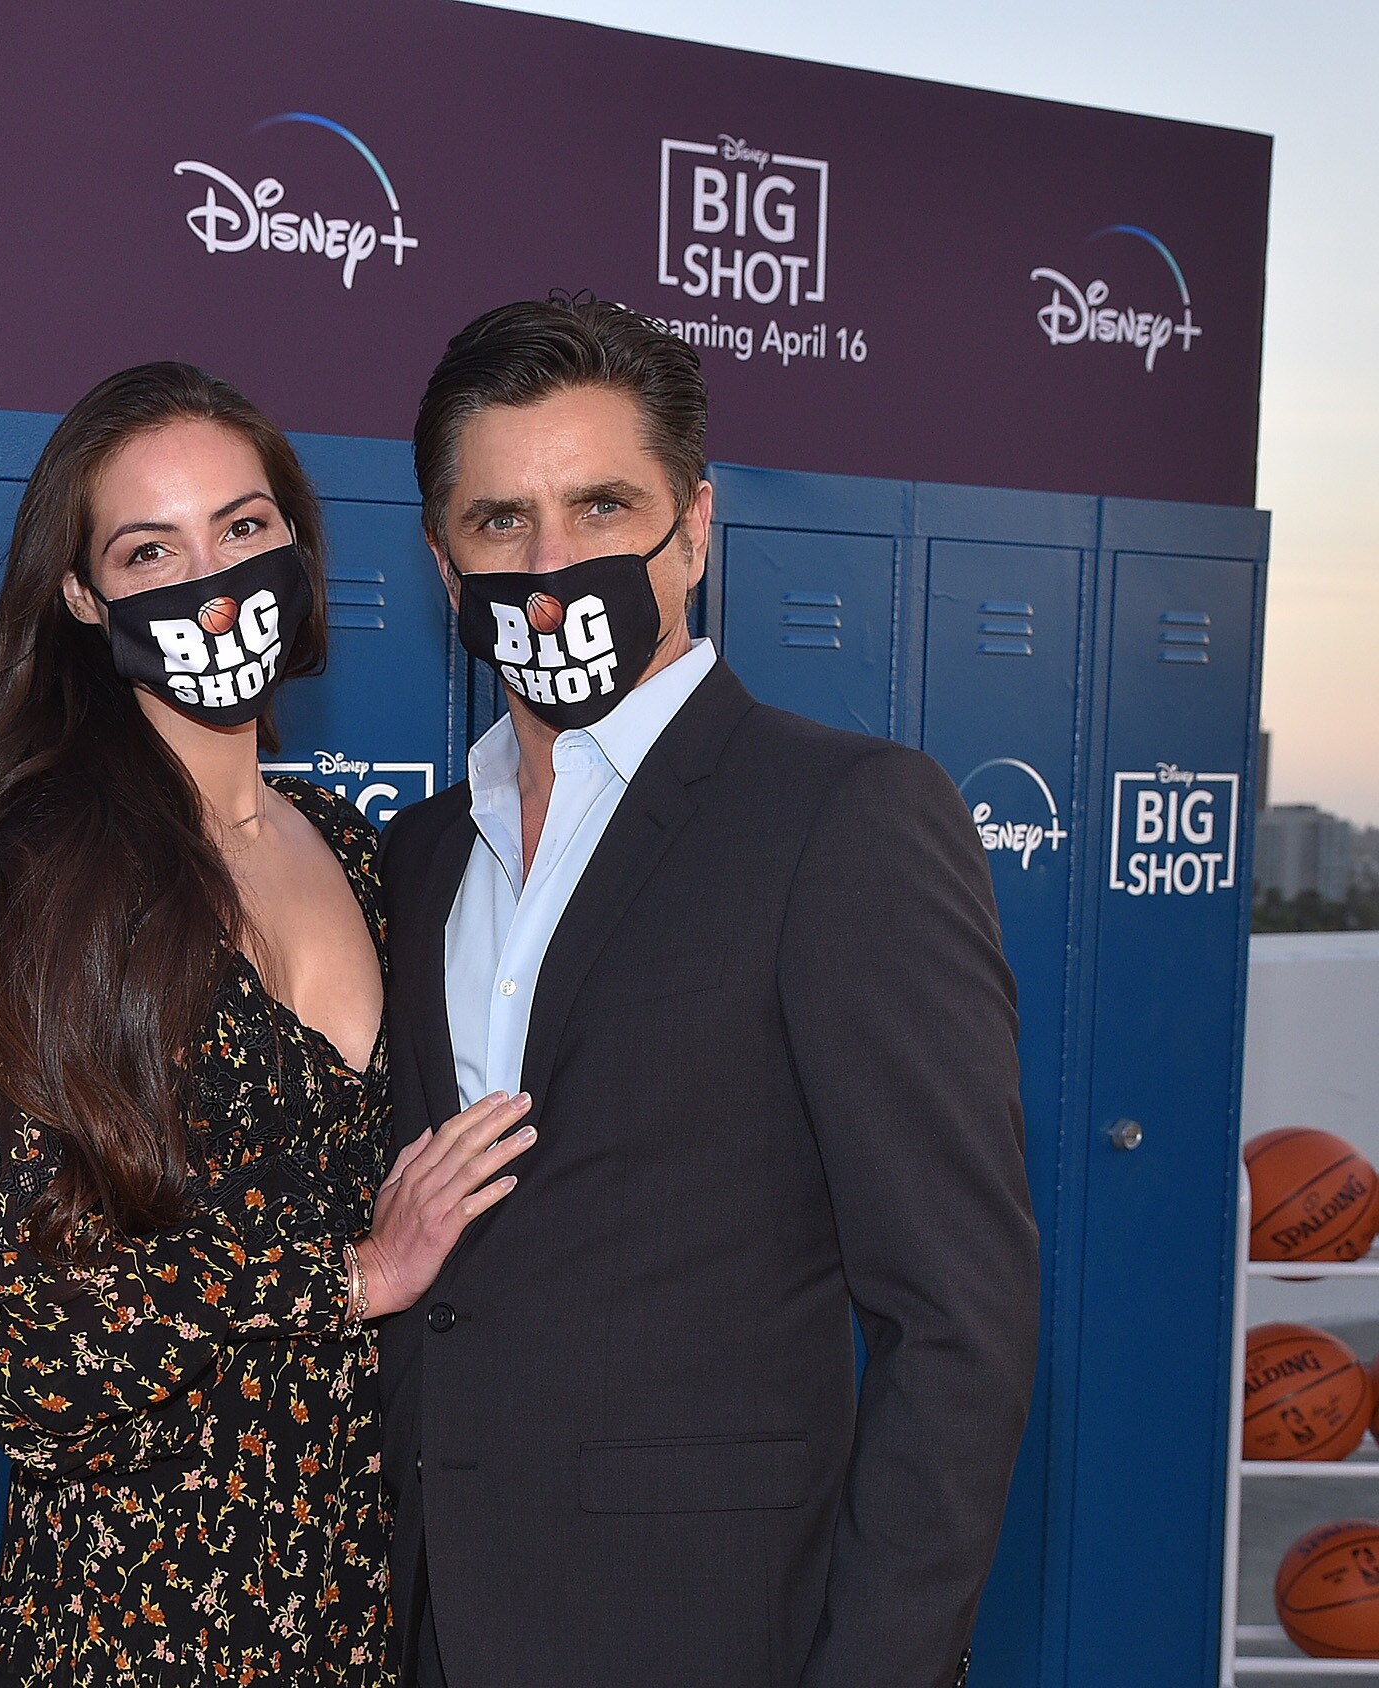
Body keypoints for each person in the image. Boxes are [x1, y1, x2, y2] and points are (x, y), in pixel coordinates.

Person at [375, 295, 1040, 1687]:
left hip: (716, 1634)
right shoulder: (421, 854)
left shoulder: (844, 819)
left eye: (602, 506)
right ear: (443, 564)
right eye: (500, 522)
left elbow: (955, 1320)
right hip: (432, 1631)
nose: (551, 566)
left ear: (693, 528)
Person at [0, 361, 533, 1685]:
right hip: (140, 1631)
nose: (213, 578)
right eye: (151, 549)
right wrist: (349, 1276)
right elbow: (29, 1359)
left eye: (243, 529)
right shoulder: (63, 879)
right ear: (83, 597)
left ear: (296, 544)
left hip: (353, 1610)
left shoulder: (361, 851)